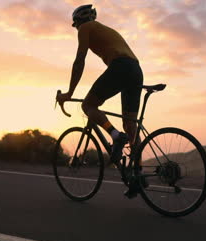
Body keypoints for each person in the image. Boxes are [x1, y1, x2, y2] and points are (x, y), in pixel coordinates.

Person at [56, 4, 144, 198]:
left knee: (88, 105)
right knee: (130, 125)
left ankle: (114, 135)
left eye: (75, 25)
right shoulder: (106, 29)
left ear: (79, 21)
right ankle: (138, 174)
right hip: (136, 70)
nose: (76, 28)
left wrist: (70, 92)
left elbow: (80, 60)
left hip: (120, 67)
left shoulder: (86, 28)